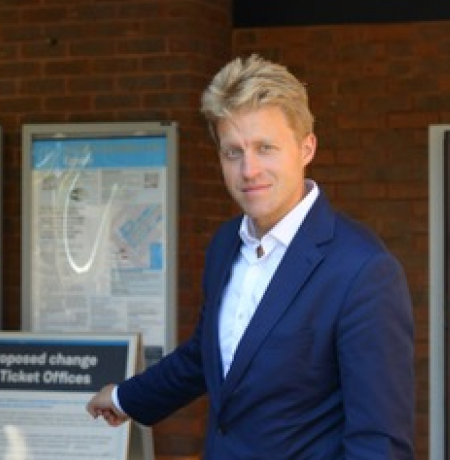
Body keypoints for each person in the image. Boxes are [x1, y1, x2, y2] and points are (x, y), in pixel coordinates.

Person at [86, 54, 415, 459]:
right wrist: (125, 398)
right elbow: (207, 355)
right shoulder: (226, 244)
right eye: (233, 152)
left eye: (265, 148)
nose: (249, 169)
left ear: (306, 147)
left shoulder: (362, 270)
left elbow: (378, 443)